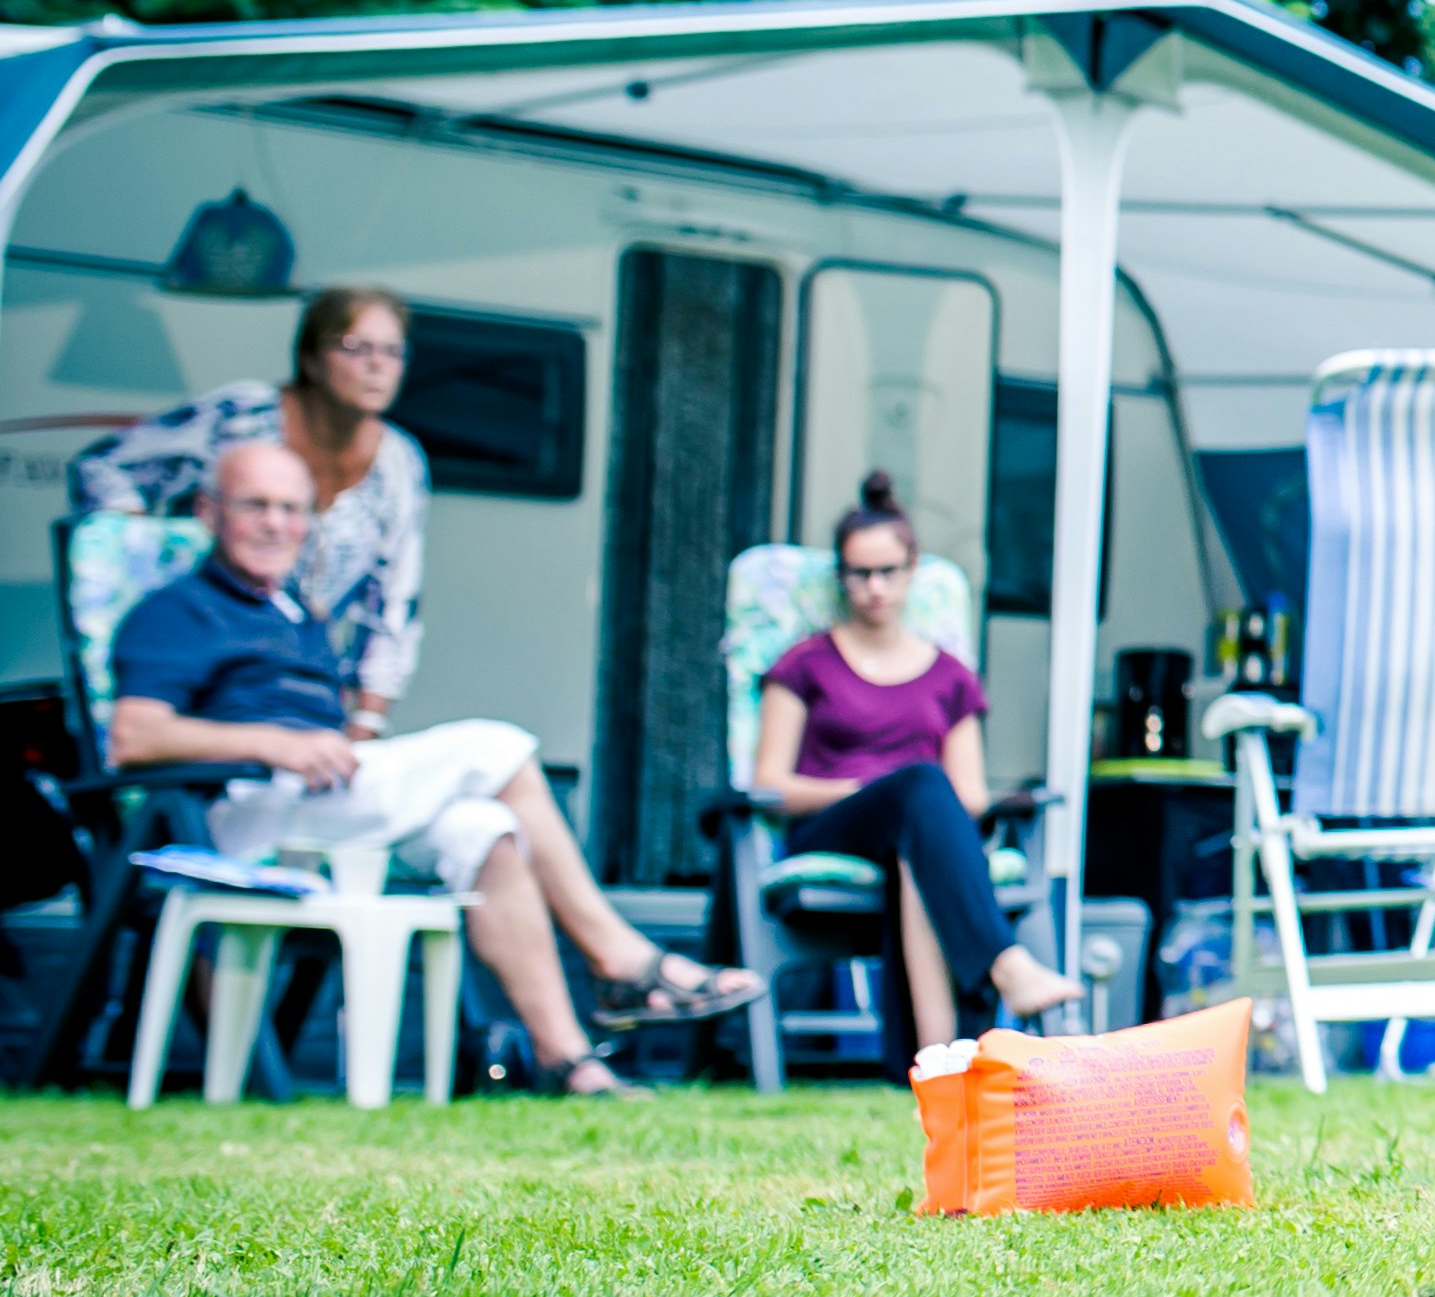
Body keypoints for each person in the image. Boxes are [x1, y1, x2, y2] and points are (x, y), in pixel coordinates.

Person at [104, 439, 754, 1094]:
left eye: (292, 509)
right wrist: (272, 742)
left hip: (319, 813)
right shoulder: (176, 612)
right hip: (239, 818)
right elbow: (132, 737)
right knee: (496, 748)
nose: (276, 524)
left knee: (485, 830)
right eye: (256, 506)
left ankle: (567, 1060)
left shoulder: (293, 612)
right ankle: (619, 959)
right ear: (208, 511)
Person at [744, 478, 1085, 1055]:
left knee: (919, 822)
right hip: (834, 822)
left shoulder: (951, 676)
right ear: (842, 576)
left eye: (887, 572)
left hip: (918, 831)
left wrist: (920, 805)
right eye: (859, 574)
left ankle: (934, 1054)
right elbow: (768, 782)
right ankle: (1007, 965)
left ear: (912, 570)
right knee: (920, 783)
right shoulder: (804, 664)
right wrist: (861, 789)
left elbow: (970, 795)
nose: (874, 588)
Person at [77, 284, 434, 736]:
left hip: (297, 668)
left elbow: (395, 603)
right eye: (355, 347)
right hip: (206, 651)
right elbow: (103, 467)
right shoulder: (242, 415)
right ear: (311, 358)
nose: (377, 364)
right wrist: (143, 547)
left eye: (392, 351)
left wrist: (367, 721)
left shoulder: (399, 461)